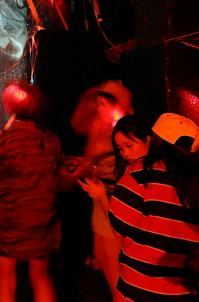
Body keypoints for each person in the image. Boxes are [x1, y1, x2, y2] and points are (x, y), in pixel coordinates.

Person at [106, 113, 199, 302]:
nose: (125, 153)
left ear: (155, 139)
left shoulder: (138, 174)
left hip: (137, 289)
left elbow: (118, 227)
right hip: (179, 291)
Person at [0, 79, 63, 302]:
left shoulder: (1, 140)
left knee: (6, 275)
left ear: (9, 106)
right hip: (41, 218)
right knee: (41, 275)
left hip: (10, 220)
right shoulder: (51, 140)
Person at [72, 80, 134, 297]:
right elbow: (78, 127)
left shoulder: (126, 134)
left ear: (120, 105)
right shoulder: (102, 124)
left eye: (104, 105)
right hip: (100, 197)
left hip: (113, 200)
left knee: (113, 265)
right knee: (102, 257)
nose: (98, 110)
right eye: (98, 105)